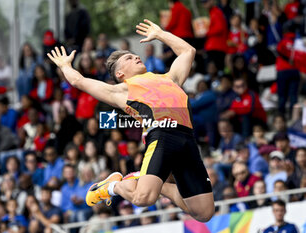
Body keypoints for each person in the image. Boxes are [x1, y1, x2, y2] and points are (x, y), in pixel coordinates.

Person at [47, 19, 214, 222]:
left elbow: (188, 52)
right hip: (162, 137)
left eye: (135, 55)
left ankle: (157, 183)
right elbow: (78, 81)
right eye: (128, 57)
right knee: (143, 198)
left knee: (203, 213)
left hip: (187, 139)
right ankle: (111, 186)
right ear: (120, 73)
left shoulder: (170, 78)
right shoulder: (121, 91)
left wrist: (161, 34)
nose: (136, 56)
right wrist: (65, 65)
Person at [201, 0, 228, 71]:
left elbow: (219, 28)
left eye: (206, 2)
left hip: (216, 47)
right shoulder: (214, 12)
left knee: (215, 69)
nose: (204, 4)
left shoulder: (215, 12)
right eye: (203, 2)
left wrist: (206, 33)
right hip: (215, 46)